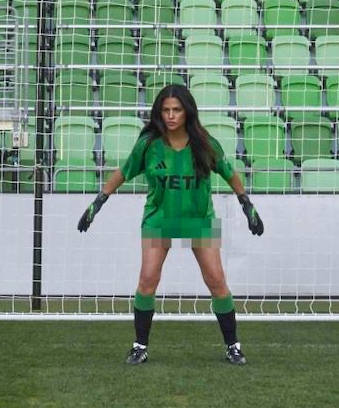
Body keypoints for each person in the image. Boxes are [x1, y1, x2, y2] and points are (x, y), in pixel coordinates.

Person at [77, 83, 262, 365]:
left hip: (198, 220)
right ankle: (140, 346)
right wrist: (98, 201)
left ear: (187, 112)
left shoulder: (206, 144)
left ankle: (233, 345)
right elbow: (123, 172)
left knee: (216, 281)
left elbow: (230, 174)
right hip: (159, 219)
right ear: (159, 113)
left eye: (177, 110)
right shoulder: (149, 145)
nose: (171, 115)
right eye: (166, 110)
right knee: (147, 280)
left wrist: (246, 204)